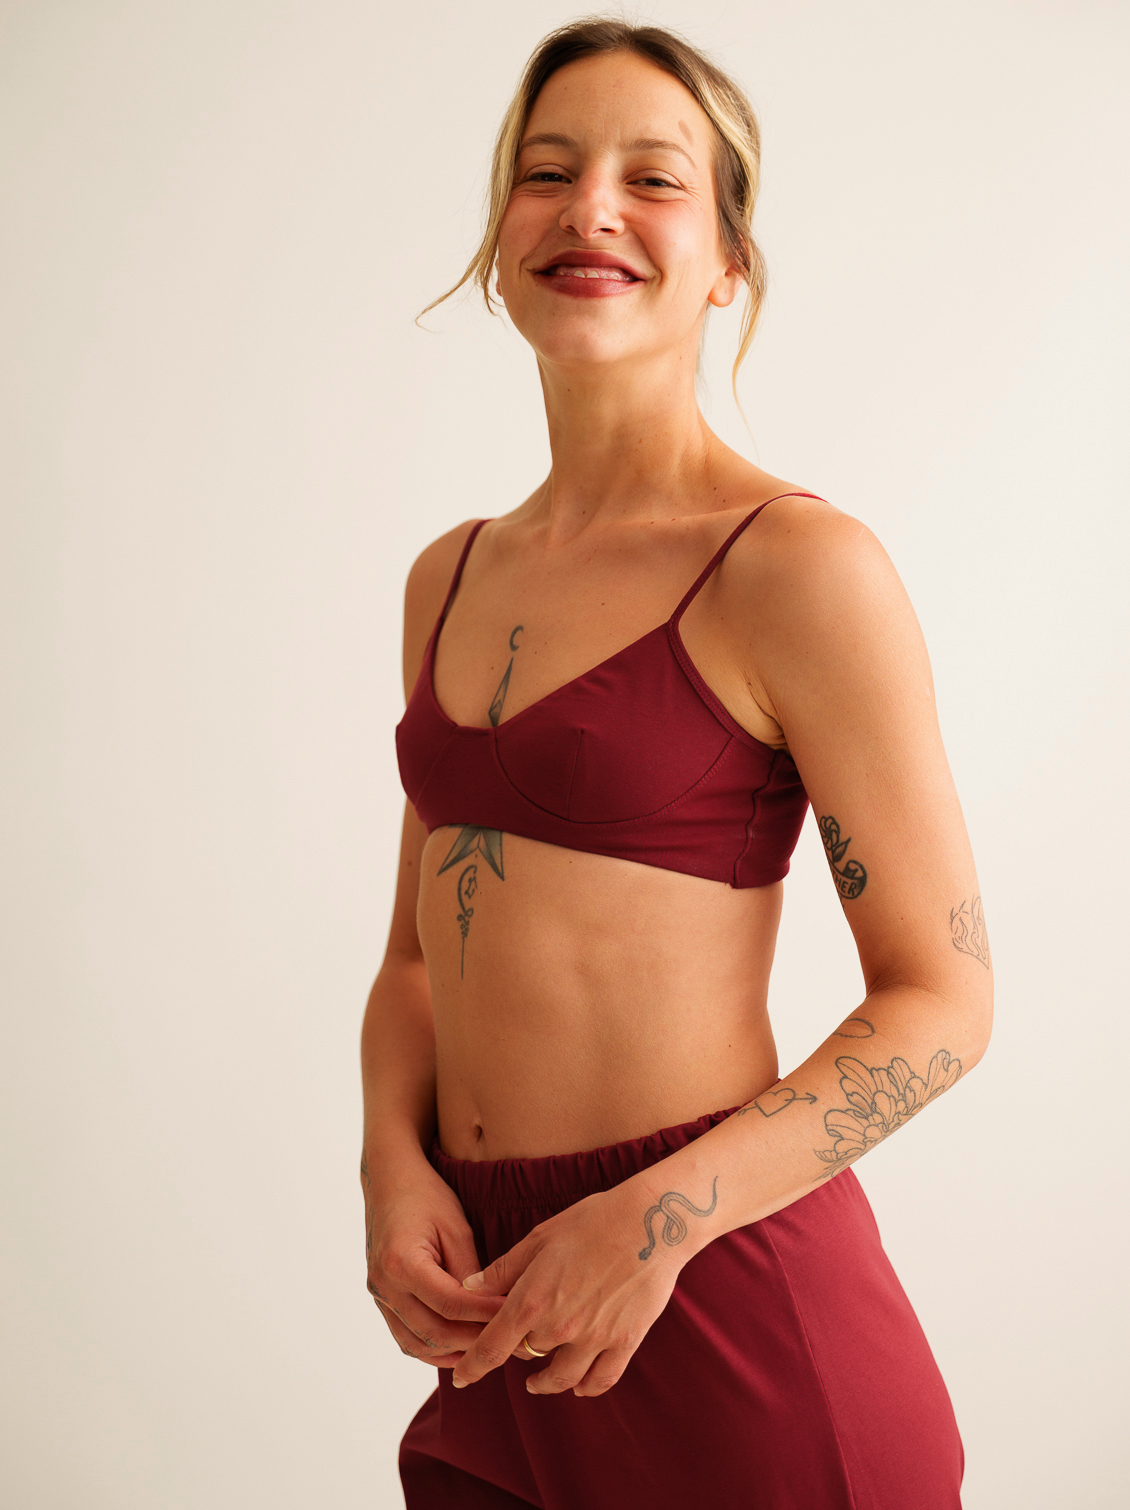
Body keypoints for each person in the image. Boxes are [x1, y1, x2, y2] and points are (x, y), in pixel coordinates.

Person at [359, 18, 992, 1510]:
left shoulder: (798, 567)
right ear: (499, 238)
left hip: (719, 1300)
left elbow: (944, 1001)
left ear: (727, 264)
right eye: (545, 172)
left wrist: (653, 1222)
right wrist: (390, 1165)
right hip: (499, 1324)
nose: (588, 209)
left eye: (652, 179)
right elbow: (413, 961)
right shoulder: (447, 576)